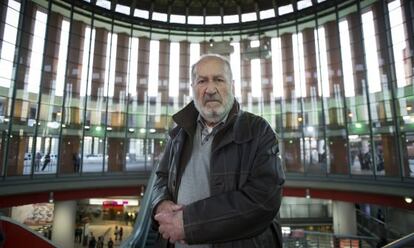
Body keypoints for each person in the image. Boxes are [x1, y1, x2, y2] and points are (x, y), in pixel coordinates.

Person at [151, 54, 285, 247]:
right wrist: (160, 203)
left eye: (218, 80)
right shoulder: (179, 133)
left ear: (232, 86)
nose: (211, 89)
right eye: (202, 81)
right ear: (193, 88)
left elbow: (264, 200)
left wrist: (189, 223)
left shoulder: (258, 130)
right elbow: (161, 177)